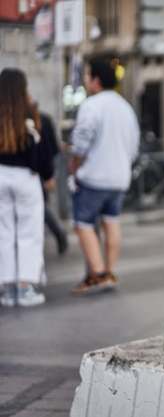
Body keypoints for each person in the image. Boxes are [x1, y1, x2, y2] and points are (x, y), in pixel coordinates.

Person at [68, 58, 139, 296]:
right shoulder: (125, 107)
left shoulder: (92, 105)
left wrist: (75, 167)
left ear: (96, 80)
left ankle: (98, 274)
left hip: (94, 177)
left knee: (83, 223)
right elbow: (133, 146)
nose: (86, 81)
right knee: (112, 221)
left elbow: (81, 143)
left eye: (88, 76)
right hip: (119, 177)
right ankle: (109, 271)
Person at [0, 68, 57, 307]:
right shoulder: (36, 117)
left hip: (0, 176)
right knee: (29, 233)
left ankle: (7, 287)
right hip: (27, 178)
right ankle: (25, 287)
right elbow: (45, 153)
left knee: (3, 233)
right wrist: (48, 176)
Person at [39, 111, 69, 256]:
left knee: (40, 209)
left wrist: (48, 175)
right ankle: (58, 233)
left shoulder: (38, 120)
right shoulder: (41, 119)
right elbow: (52, 150)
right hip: (36, 172)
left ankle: (58, 232)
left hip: (33, 173)